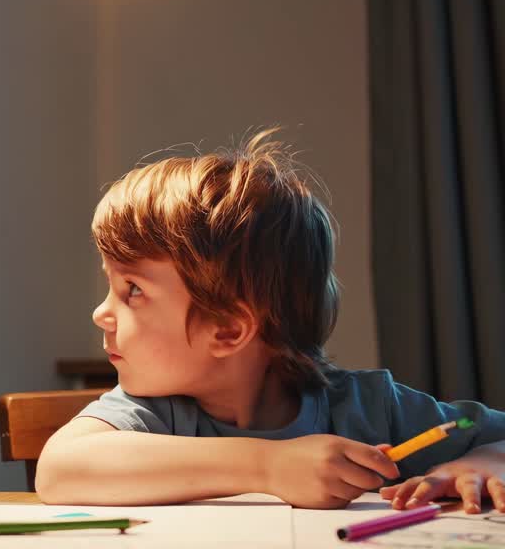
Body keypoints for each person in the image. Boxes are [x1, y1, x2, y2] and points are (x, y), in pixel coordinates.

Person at [35, 130, 505, 512]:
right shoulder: (154, 412)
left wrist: (480, 465)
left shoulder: (370, 408)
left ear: (228, 330)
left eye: (132, 290)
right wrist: (269, 466)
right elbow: (60, 468)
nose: (102, 312)